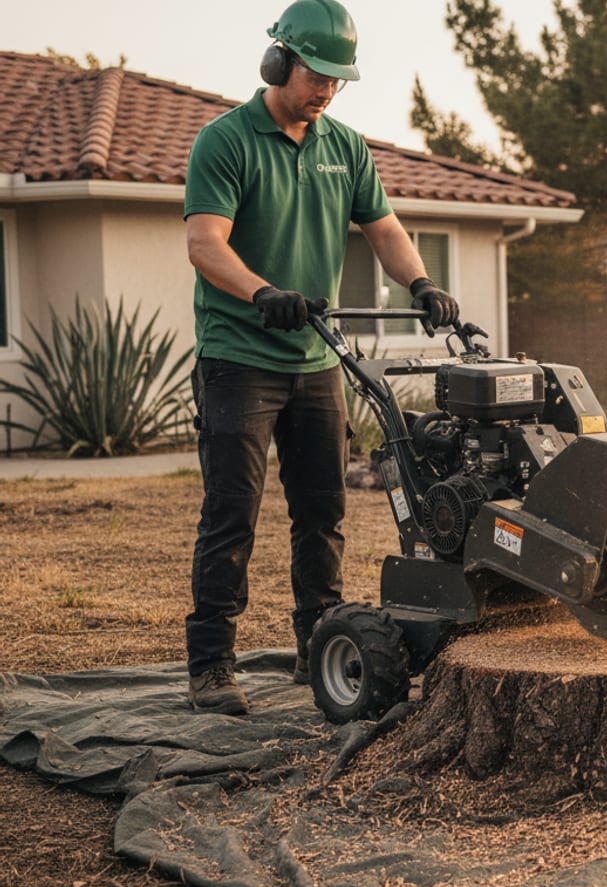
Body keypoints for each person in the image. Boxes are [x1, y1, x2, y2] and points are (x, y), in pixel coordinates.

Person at [183, 0, 458, 715]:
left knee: (323, 512)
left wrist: (421, 282)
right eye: (316, 74)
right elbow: (206, 244)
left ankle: (319, 645)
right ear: (278, 61)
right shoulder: (226, 141)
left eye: (339, 79)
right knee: (231, 514)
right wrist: (261, 290)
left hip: (315, 361)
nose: (327, 90)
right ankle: (211, 664)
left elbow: (385, 229)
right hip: (238, 356)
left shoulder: (345, 147)